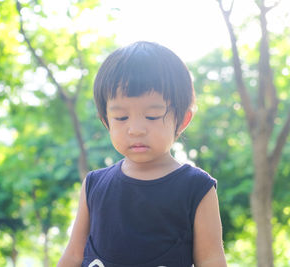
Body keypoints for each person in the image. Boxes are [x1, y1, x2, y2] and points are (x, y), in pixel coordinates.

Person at [57, 41, 227, 267]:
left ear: (182, 120)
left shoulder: (197, 188)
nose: (135, 129)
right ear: (106, 121)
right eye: (121, 118)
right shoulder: (94, 185)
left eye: (152, 116)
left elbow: (211, 260)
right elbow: (73, 256)